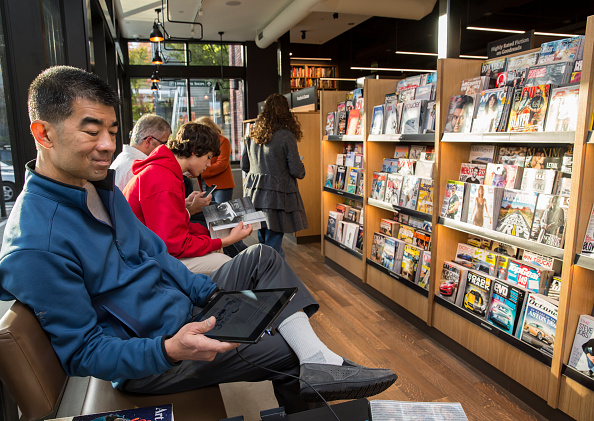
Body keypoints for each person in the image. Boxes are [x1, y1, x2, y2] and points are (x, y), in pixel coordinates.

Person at [0, 66, 396, 413]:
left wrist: (209, 295)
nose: (107, 144)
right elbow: (84, 352)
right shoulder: (37, 242)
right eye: (92, 130)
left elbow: (157, 252)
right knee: (283, 346)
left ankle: (318, 364)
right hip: (154, 354)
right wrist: (169, 348)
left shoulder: (100, 188)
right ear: (44, 134)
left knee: (263, 258)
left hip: (183, 309)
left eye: (112, 130)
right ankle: (317, 368)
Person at [123, 122, 251, 275]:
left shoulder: (165, 172)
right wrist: (226, 240)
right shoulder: (163, 178)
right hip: (145, 260)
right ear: (194, 150)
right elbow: (174, 245)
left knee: (218, 252)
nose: (209, 164)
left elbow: (177, 229)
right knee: (227, 265)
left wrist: (216, 234)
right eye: (208, 157)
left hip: (148, 250)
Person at [242, 93, 308, 258]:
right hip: (278, 196)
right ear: (285, 113)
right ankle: (273, 279)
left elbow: (244, 166)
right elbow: (296, 170)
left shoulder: (251, 136)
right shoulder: (286, 136)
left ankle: (262, 275)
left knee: (263, 241)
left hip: (256, 194)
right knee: (274, 246)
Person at [111, 114, 210, 216]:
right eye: (165, 143)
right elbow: (153, 216)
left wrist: (183, 204)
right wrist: (192, 209)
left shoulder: (124, 160)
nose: (168, 148)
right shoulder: (139, 168)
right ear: (149, 141)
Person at [195, 116, 236, 204]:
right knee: (208, 213)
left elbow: (222, 164)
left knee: (222, 214)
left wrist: (200, 171)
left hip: (221, 185)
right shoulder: (200, 142)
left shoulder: (223, 141)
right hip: (204, 183)